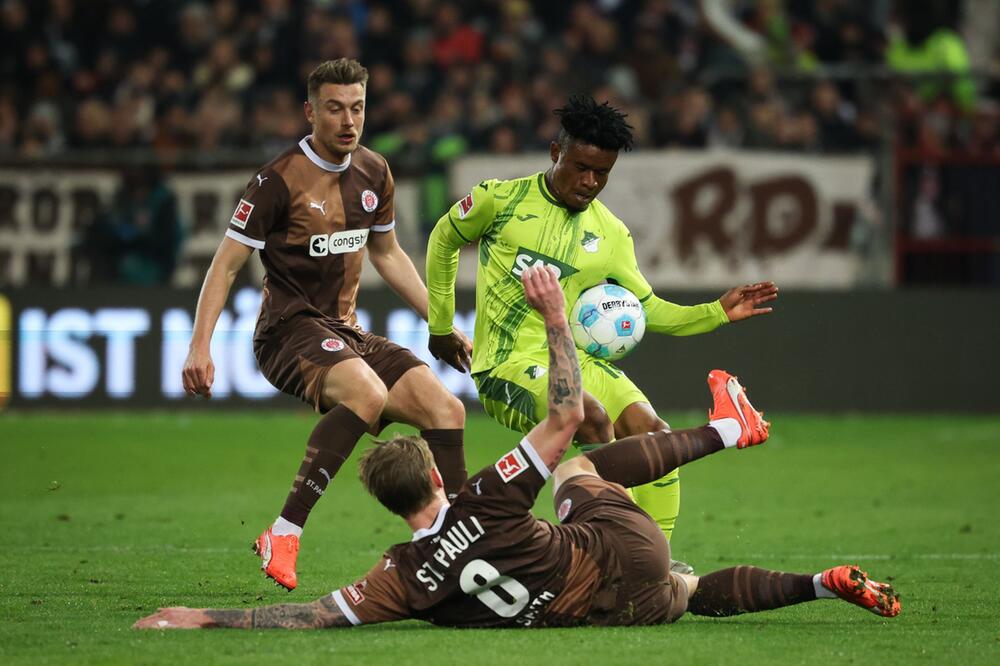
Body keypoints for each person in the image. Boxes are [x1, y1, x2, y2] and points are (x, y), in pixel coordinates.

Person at [137, 265, 900, 631]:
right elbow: (566, 415)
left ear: (388, 503)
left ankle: (818, 584)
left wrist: (199, 618)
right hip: (615, 551)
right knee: (576, 462)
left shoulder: (399, 575)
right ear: (436, 470)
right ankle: (733, 429)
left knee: (689, 595)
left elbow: (306, 619)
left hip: (604, 612)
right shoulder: (484, 494)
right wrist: (557, 320)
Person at [424, 94, 779, 571]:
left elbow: (648, 308)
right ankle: (618, 545)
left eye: (602, 173)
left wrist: (716, 311)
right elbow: (444, 238)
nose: (590, 182)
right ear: (556, 153)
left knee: (652, 433)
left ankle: (657, 564)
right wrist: (441, 326)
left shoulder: (611, 234)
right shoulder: (500, 201)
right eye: (581, 167)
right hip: (506, 365)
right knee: (587, 416)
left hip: (575, 358)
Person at [180, 58, 472, 592]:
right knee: (364, 391)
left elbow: (388, 254)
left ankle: (464, 539)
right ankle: (284, 532)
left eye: (357, 108)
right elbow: (224, 264)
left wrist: (441, 319)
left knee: (445, 407)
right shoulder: (276, 180)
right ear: (310, 111)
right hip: (287, 333)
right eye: (335, 108)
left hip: (345, 330)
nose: (348, 121)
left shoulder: (374, 171)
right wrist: (200, 346)